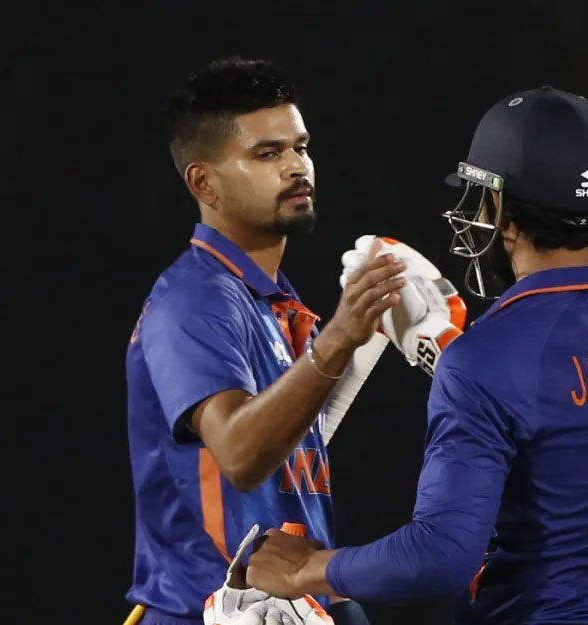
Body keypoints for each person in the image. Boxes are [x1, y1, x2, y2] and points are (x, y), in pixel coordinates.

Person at [243, 86, 588, 625]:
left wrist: (306, 569)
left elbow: (439, 558)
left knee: (296, 611)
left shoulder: (486, 359)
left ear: (502, 210)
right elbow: (568, 411)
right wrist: (447, 348)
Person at [124, 57, 399, 625]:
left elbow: (286, 451)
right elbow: (240, 455)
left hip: (290, 608)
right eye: (267, 154)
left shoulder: (271, 302)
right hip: (204, 612)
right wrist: (338, 339)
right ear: (203, 182)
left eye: (300, 147)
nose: (296, 167)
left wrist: (362, 338)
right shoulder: (195, 298)